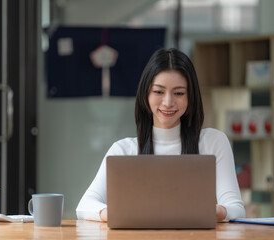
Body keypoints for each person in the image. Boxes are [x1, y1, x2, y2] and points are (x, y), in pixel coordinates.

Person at [76, 48, 246, 222]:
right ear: (146, 94)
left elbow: (236, 209)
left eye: (179, 93)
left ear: (191, 96)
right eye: (158, 92)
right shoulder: (123, 150)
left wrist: (211, 211)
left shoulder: (213, 141)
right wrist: (123, 213)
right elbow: (84, 206)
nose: (168, 103)